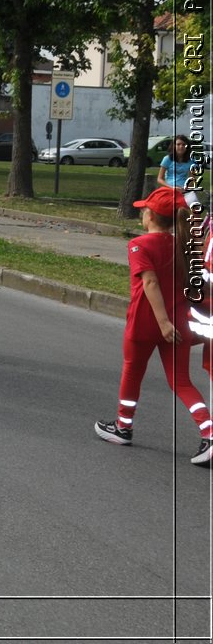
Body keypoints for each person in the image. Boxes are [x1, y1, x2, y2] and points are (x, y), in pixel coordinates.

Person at [94, 187, 212, 467]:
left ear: (150, 216)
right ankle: (209, 432)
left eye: (144, 209)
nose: (142, 212)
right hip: (180, 322)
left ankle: (123, 427)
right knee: (181, 381)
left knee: (133, 372)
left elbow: (149, 283)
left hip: (147, 322)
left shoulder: (139, 245)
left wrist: (162, 322)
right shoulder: (182, 244)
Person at [159, 134, 199, 205]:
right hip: (169, 188)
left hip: (184, 190)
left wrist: (185, 190)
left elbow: (192, 180)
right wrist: (172, 188)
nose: (181, 146)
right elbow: (159, 179)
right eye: (178, 144)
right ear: (174, 146)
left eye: (183, 145)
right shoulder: (167, 159)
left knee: (194, 204)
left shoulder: (191, 161)